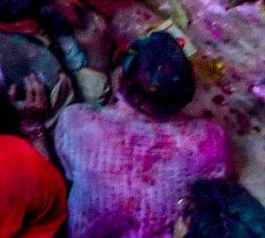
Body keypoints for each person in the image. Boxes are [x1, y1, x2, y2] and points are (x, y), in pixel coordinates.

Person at [51, 31, 231, 238]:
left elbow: (68, 172)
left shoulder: (77, 123)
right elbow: (221, 183)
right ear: (186, 98)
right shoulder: (210, 141)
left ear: (119, 78)